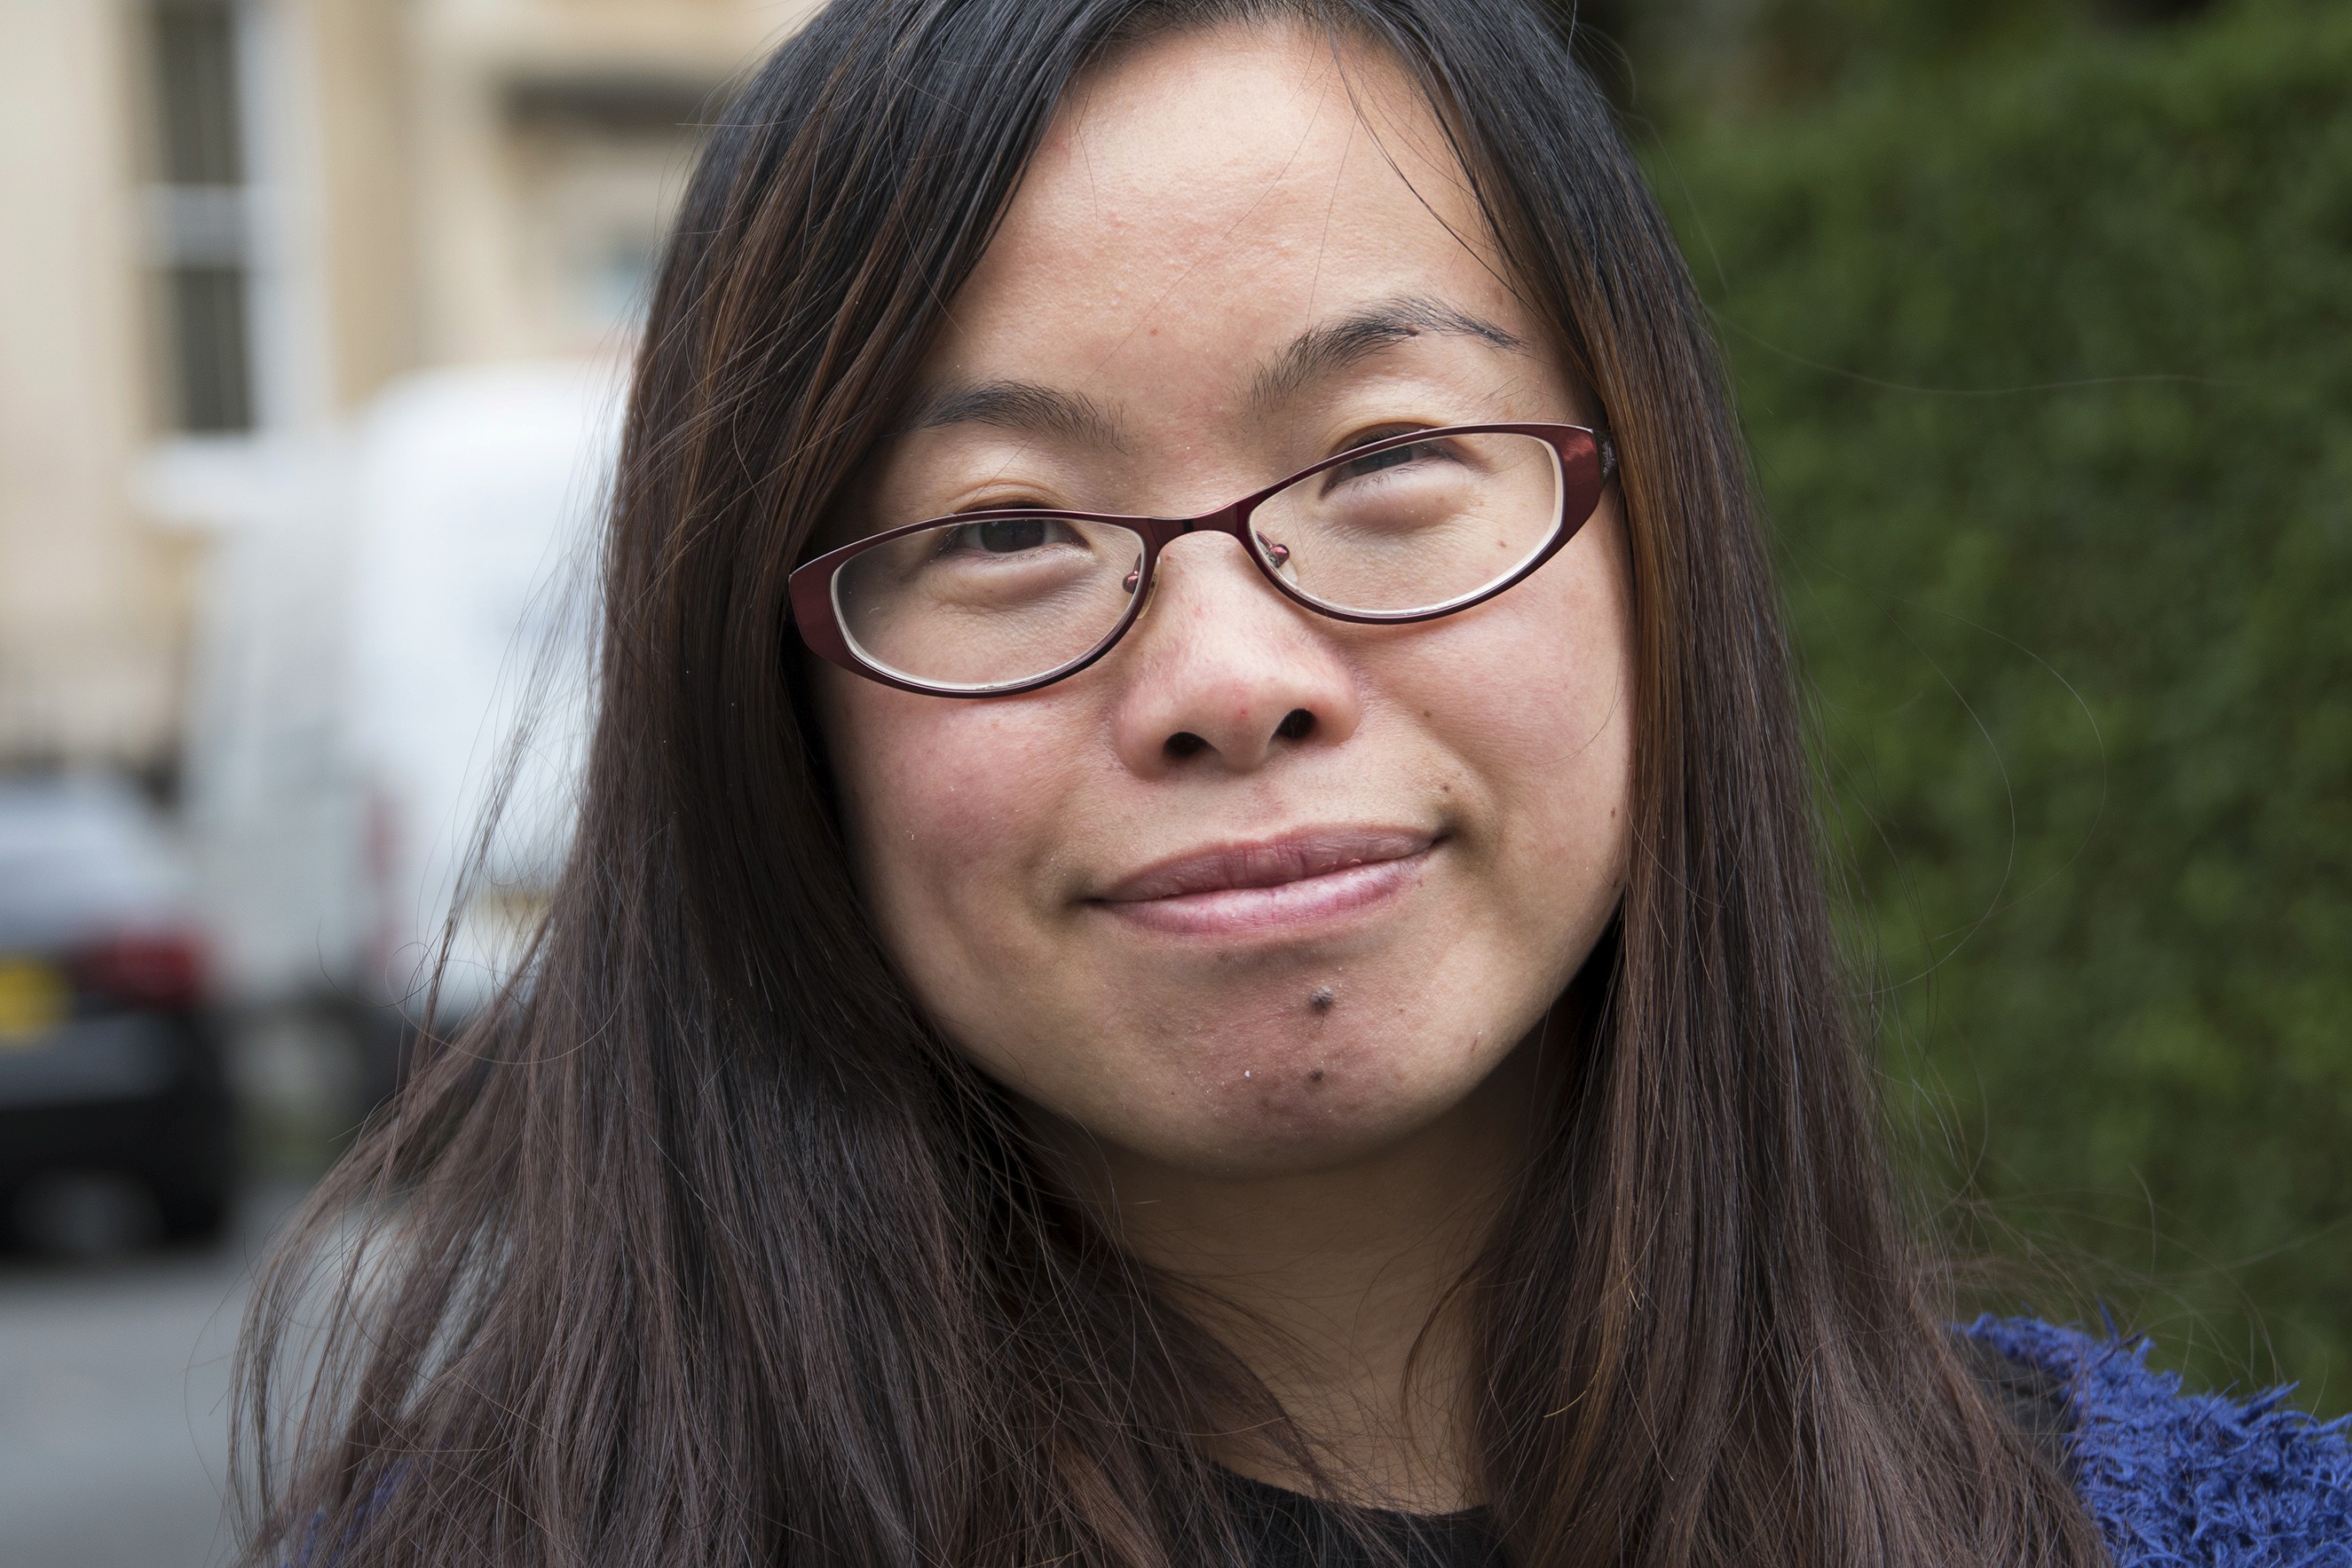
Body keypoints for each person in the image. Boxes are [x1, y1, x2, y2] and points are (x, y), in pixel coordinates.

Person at [233, 2, 2352, 1564]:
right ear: (773, 713)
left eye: (1387, 460)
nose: (1227, 680)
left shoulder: (2188, 1529)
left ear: (1658, 551)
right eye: (999, 527)